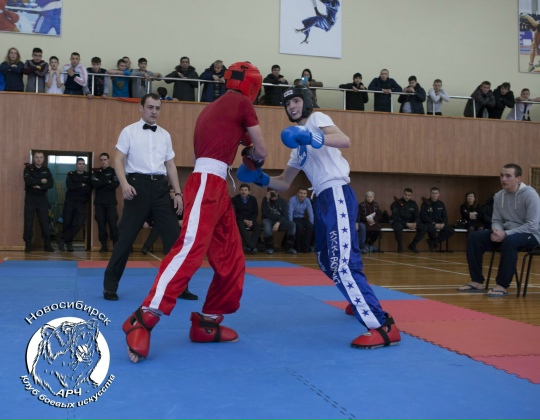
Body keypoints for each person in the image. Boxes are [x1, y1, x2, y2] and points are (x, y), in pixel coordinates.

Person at [121, 62, 268, 363]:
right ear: (252, 86)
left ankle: (207, 322)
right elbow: (262, 150)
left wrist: (243, 147)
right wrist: (253, 157)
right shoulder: (242, 103)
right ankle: (144, 317)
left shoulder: (212, 108)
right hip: (207, 184)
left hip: (215, 185)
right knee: (190, 249)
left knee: (231, 257)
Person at [237, 85, 401, 349]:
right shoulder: (297, 148)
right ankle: (358, 299)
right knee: (326, 261)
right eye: (287, 104)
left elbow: (344, 139)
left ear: (306, 101)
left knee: (341, 263)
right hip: (322, 199)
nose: (292, 107)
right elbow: (284, 182)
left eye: (296, 101)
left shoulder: (317, 119)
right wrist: (259, 177)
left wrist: (311, 135)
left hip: (336, 192)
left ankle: (382, 326)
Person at [103, 93, 185, 302]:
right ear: (141, 108)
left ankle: (180, 287)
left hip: (160, 189)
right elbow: (118, 160)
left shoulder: (165, 135)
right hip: (136, 187)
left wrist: (178, 193)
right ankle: (110, 287)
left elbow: (170, 165)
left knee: (174, 237)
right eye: (150, 107)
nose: (154, 111)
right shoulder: (129, 131)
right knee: (125, 239)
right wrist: (124, 184)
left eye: (157, 108)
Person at [457, 163, 540, 297]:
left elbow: (532, 225)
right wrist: (497, 231)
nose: (503, 179)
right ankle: (476, 281)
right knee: (474, 237)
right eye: (501, 175)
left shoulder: (530, 195)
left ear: (518, 178)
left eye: (508, 176)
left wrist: (505, 234)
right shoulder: (499, 196)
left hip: (531, 234)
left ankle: (502, 285)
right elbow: (496, 219)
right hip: (506, 233)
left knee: (509, 241)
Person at [57, 158, 92, 252]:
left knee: (79, 223)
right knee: (67, 223)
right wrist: (81, 185)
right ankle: (69, 245)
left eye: (83, 164)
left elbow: (89, 189)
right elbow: (70, 187)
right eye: (79, 164)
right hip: (70, 202)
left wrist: (77, 186)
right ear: (76, 165)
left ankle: (62, 239)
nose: (81, 165)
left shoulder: (88, 175)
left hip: (81, 203)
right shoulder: (71, 174)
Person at [23, 151, 54, 253]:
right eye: (37, 157)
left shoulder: (46, 170)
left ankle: (47, 245)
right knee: (28, 222)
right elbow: (28, 181)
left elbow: (50, 184)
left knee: (44, 222)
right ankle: (28, 245)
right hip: (30, 198)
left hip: (42, 198)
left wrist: (40, 187)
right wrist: (41, 181)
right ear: (34, 158)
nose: (39, 159)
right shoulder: (28, 168)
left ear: (43, 159)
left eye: (41, 157)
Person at [90, 153, 119, 253]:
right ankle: (103, 246)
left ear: (108, 160)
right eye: (101, 160)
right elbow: (94, 184)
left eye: (105, 159)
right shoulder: (96, 172)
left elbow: (115, 185)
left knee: (113, 224)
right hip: (99, 203)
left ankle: (115, 245)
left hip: (111, 203)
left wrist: (101, 182)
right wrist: (107, 181)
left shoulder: (113, 171)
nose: (103, 162)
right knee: (101, 225)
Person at [390, 188, 428, 253]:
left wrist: (415, 223)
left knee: (424, 227)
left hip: (411, 223)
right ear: (403, 194)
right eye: (405, 194)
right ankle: (400, 246)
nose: (407, 196)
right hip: (400, 222)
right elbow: (395, 217)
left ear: (411, 195)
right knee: (398, 227)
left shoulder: (413, 203)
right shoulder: (396, 203)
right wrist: (406, 224)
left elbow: (417, 216)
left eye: (408, 195)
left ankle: (413, 245)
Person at [261, 188, 297, 254]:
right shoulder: (265, 200)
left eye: (273, 193)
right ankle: (269, 248)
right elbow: (264, 213)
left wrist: (278, 222)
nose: (272, 195)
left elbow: (285, 215)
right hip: (268, 220)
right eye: (270, 193)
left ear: (277, 192)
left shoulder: (282, 201)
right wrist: (267, 201)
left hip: (280, 222)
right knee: (266, 223)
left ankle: (289, 248)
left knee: (292, 224)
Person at [421, 187, 455, 252]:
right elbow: (423, 216)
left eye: (436, 193)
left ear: (439, 194)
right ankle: (433, 243)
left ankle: (433, 241)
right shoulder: (425, 203)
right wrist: (434, 223)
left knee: (451, 230)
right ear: (430, 194)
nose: (434, 195)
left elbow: (445, 216)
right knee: (432, 230)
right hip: (429, 223)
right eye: (433, 193)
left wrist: (443, 223)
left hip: (440, 223)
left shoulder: (441, 204)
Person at [231, 183, 261, 254]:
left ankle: (248, 246)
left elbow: (255, 212)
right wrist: (244, 220)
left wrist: (251, 221)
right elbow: (234, 213)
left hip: (250, 220)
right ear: (239, 191)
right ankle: (252, 247)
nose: (243, 192)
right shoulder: (234, 199)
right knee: (241, 227)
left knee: (258, 228)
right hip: (240, 220)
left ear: (249, 191)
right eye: (242, 190)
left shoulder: (253, 199)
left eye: (245, 190)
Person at [288, 186, 314, 253]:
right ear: (297, 193)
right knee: (299, 227)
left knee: (310, 226)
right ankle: (296, 247)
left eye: (304, 193)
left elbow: (310, 213)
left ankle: (305, 248)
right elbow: (290, 212)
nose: (302, 195)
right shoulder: (292, 199)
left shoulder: (307, 200)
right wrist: (291, 224)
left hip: (302, 218)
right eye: (301, 193)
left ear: (306, 195)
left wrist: (311, 223)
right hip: (294, 218)